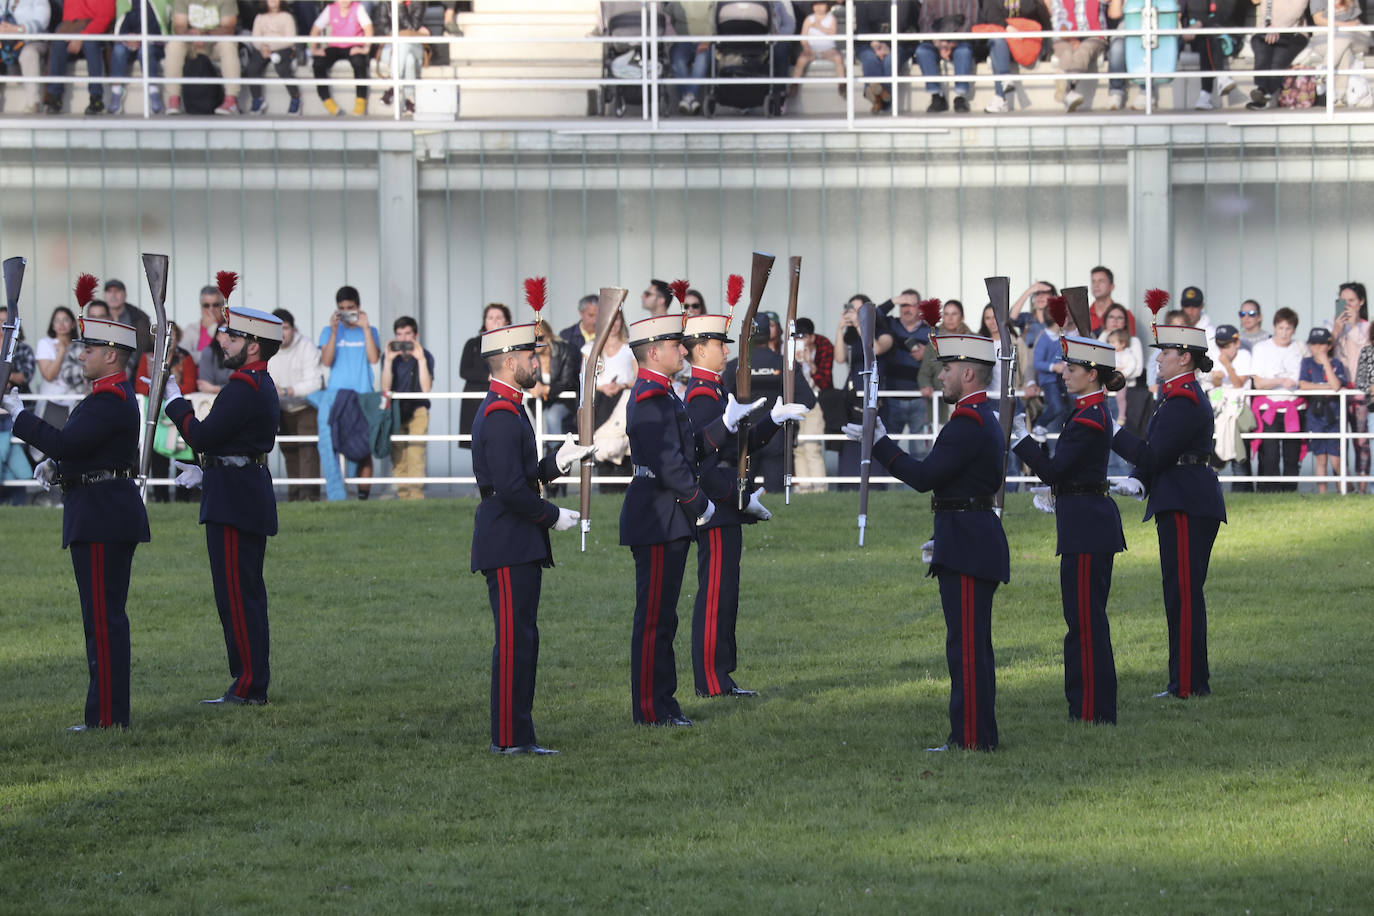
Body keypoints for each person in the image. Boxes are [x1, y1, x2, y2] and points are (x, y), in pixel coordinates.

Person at [843, 329, 1009, 750]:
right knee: (969, 645)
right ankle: (976, 735)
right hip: (966, 536)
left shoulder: (968, 423)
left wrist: (878, 442)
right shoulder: (976, 417)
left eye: (948, 368)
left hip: (969, 542)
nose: (941, 375)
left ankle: (971, 738)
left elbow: (923, 478)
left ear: (969, 373)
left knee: (967, 649)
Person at [6, 307, 149, 730]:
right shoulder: (105, 397)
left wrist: (20, 417)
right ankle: (107, 714)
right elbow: (84, 451)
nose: (81, 354)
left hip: (102, 514)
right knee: (102, 618)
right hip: (99, 510)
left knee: (103, 621)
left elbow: (69, 441)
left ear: (112, 356)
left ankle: (106, 718)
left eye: (90, 348)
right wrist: (58, 466)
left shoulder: (110, 398)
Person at [620, 313, 757, 727]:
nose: (684, 350)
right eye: (676, 345)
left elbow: (690, 449)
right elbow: (669, 463)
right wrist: (701, 504)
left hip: (668, 515)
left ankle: (664, 702)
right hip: (657, 515)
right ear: (654, 352)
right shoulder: (648, 398)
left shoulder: (665, 395)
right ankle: (650, 707)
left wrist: (724, 426)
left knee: (665, 617)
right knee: (654, 619)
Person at [469, 319, 593, 756]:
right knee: (514, 641)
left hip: (514, 538)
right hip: (507, 539)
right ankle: (509, 738)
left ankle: (519, 734)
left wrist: (558, 462)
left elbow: (521, 476)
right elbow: (510, 489)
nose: (535, 362)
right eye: (529, 356)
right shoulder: (501, 413)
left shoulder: (509, 406)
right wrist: (552, 515)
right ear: (508, 361)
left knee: (524, 638)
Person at [682, 312, 807, 699]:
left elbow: (742, 445)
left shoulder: (715, 390)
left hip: (725, 503)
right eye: (720, 345)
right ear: (700, 349)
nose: (725, 351)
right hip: (715, 506)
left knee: (727, 593)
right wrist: (737, 501)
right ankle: (712, 679)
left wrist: (771, 419)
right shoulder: (702, 395)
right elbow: (704, 463)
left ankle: (722, 675)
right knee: (716, 594)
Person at [163, 298, 281, 707]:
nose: (221, 340)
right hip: (236, 490)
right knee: (242, 595)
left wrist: (173, 401)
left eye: (231, 335)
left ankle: (248, 686)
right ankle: (250, 683)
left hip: (234, 501)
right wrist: (208, 470)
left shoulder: (243, 388)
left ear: (253, 346)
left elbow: (201, 435)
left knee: (236, 597)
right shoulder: (255, 384)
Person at [1110, 296, 1225, 699]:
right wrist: (1139, 481)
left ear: (1186, 358)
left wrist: (1112, 431)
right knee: (1180, 593)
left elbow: (1153, 452)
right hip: (1183, 496)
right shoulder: (1177, 396)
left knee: (1183, 595)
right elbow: (1158, 451)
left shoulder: (1183, 399)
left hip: (1185, 500)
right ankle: (1186, 681)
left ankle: (1189, 685)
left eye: (1166, 352)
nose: (1159, 359)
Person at [1013, 334, 1125, 724]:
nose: (1065, 375)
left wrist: (1021, 440)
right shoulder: (1089, 412)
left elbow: (1055, 470)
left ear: (1092, 375)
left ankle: (1093, 708)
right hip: (1085, 522)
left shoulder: (1089, 418)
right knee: (1083, 620)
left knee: (1085, 623)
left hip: (1086, 528)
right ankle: (1087, 705)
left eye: (1072, 369)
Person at [723, 314, 816, 494]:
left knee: (740, 496)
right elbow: (808, 400)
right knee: (776, 497)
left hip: (743, 437)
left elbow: (724, 401)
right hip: (776, 436)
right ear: (770, 334)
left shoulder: (735, 366)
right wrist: (785, 407)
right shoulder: (784, 365)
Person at [319, 284, 381, 493]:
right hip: (335, 394)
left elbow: (374, 359)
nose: (347, 312)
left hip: (363, 394)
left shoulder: (370, 330)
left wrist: (365, 327)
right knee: (328, 444)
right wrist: (335, 331)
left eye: (351, 308)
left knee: (362, 445)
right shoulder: (329, 331)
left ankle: (361, 494)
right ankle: (336, 495)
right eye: (342, 308)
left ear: (359, 307)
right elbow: (326, 362)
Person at [267, 308, 323, 501]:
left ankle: (309, 496)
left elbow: (315, 382)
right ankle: (295, 496)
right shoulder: (267, 348)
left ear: (293, 328)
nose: (282, 333)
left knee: (308, 449)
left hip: (305, 406)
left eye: (286, 327)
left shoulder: (306, 346)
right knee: (289, 450)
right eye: (277, 328)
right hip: (280, 408)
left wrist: (288, 390)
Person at [1249, 307, 1304, 492]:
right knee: (1270, 454)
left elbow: (1305, 380)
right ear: (1274, 327)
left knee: (1292, 454)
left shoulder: (1300, 348)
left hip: (1294, 408)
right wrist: (1281, 381)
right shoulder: (1261, 348)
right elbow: (1258, 383)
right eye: (1281, 328)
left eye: (1288, 328)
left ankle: (1290, 492)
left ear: (1294, 330)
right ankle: (1269, 492)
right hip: (1269, 407)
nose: (1284, 333)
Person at [381, 315, 434, 500]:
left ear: (416, 335)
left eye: (407, 334)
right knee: (398, 454)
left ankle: (416, 495)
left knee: (416, 452)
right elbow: (385, 388)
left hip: (418, 409)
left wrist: (420, 360)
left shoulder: (425, 355)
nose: (403, 339)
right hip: (395, 410)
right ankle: (403, 496)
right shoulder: (390, 357)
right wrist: (388, 361)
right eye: (399, 335)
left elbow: (426, 388)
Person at [164, 0, 241, 116]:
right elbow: (179, 26)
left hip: (215, 42)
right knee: (174, 45)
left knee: (229, 44)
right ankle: (173, 100)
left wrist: (207, 35)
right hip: (191, 42)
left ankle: (231, 100)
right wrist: (191, 34)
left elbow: (229, 28)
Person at [584, 310, 635, 484]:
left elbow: (638, 376)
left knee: (624, 442)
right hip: (600, 403)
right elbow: (584, 378)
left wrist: (622, 385)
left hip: (624, 401)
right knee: (602, 445)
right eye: (610, 320)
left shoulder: (630, 348)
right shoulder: (590, 348)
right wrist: (602, 387)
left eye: (617, 320)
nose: (613, 325)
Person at [1299, 327, 1349, 493]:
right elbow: (1303, 385)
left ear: (1329, 346)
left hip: (1335, 417)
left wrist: (1326, 363)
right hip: (1315, 417)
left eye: (1322, 344)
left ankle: (1344, 493)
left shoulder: (1336, 364)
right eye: (1314, 344)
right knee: (1320, 459)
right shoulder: (1306, 363)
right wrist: (1325, 387)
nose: (1318, 348)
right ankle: (1323, 495)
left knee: (1337, 460)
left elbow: (1336, 385)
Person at [979, 0, 1053, 113]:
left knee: (997, 51)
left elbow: (1036, 14)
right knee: (997, 41)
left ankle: (1000, 96)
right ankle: (1002, 90)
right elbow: (991, 15)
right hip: (1002, 44)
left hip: (1023, 42)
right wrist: (1007, 27)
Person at [42, 0, 113, 114]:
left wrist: (82, 36)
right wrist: (75, 33)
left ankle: (96, 98)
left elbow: (106, 16)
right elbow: (70, 16)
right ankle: (54, 97)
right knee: (59, 41)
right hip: (73, 26)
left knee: (91, 43)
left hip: (95, 27)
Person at [883, 289, 931, 457]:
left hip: (921, 400)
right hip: (892, 398)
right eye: (903, 304)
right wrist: (893, 300)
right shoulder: (890, 325)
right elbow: (871, 317)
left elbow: (947, 361)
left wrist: (929, 352)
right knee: (886, 449)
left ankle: (919, 485)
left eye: (911, 304)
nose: (907, 309)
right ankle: (884, 484)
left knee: (921, 452)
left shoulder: (931, 331)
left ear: (920, 308)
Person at [1332, 282, 1369, 489]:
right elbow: (1324, 351)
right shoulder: (1334, 325)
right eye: (1342, 301)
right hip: (1338, 390)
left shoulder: (1368, 327)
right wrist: (1337, 330)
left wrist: (1354, 326)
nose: (1347, 306)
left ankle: (1363, 486)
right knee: (1339, 441)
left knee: (1361, 440)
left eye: (1351, 301)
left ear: (1361, 302)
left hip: (1361, 390)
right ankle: (1343, 486)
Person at [459, 303, 511, 450]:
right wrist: (489, 376)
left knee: (502, 443)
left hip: (502, 400)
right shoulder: (473, 344)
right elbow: (464, 371)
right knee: (478, 446)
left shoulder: (513, 345)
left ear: (507, 321)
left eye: (499, 318)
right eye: (490, 318)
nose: (495, 321)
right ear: (484, 321)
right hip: (475, 400)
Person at [1209, 324, 1255, 490]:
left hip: (1239, 411)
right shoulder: (1215, 355)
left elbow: (1238, 384)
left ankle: (1243, 491)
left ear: (1237, 342)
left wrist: (1227, 365)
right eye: (1221, 345)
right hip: (1219, 411)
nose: (1224, 350)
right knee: (1215, 454)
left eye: (1227, 345)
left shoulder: (1244, 355)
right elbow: (1215, 388)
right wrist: (1217, 379)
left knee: (1239, 454)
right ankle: (1212, 491)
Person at [310, 0, 374, 116]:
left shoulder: (358, 8)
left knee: (359, 61)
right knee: (318, 62)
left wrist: (366, 48)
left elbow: (368, 27)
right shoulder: (330, 9)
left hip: (354, 45)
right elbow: (316, 28)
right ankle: (327, 101)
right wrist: (313, 49)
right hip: (335, 46)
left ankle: (360, 102)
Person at [530, 317, 578, 472]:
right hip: (537, 402)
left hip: (562, 400)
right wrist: (531, 387)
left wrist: (547, 389)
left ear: (549, 336)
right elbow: (520, 376)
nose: (536, 342)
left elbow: (568, 381)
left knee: (552, 417)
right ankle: (547, 469)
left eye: (540, 338)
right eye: (532, 339)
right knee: (536, 426)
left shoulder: (564, 350)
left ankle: (554, 465)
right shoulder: (527, 354)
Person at [0, 299, 36, 504]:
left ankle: (17, 502)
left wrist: (5, 375)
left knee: (9, 455)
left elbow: (25, 377)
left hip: (14, 411)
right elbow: (17, 376)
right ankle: (18, 502)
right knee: (10, 459)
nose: (2, 326)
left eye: (7, 322)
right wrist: (11, 375)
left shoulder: (23, 349)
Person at [916, 0, 978, 113]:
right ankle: (936, 96)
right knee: (922, 51)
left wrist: (951, 42)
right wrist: (938, 42)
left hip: (960, 41)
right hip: (936, 42)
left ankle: (960, 97)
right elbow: (924, 20)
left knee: (964, 52)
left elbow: (971, 20)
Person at [792, 316, 832, 492]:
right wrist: (794, 362)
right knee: (798, 449)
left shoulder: (823, 348)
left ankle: (820, 489)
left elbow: (824, 383)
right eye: (796, 336)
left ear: (812, 337)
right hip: (795, 404)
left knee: (811, 447)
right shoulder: (788, 352)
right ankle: (805, 490)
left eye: (803, 336)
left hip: (815, 404)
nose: (799, 340)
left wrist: (810, 363)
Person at [854, 0, 916, 113]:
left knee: (890, 60)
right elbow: (862, 25)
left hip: (899, 42)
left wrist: (888, 45)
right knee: (869, 58)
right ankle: (882, 96)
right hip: (869, 42)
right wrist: (873, 44)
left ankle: (878, 99)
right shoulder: (862, 2)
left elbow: (902, 23)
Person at [374, 0, 435, 115]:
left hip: (414, 45)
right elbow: (381, 26)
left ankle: (393, 85)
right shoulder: (385, 2)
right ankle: (409, 101)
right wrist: (396, 34)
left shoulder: (419, 3)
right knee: (409, 60)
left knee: (403, 43)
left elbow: (411, 28)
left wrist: (400, 6)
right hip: (390, 47)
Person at [1246, 0, 1309, 110]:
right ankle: (1262, 91)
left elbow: (1295, 12)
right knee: (1262, 50)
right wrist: (1269, 27)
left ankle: (1263, 92)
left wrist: (1276, 29)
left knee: (1279, 57)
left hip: (1293, 33)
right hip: (1266, 30)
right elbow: (1264, 8)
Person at [107, 0, 166, 116]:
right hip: (128, 42)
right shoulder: (125, 2)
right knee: (118, 51)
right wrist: (127, 37)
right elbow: (120, 26)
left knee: (145, 51)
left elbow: (160, 27)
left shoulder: (159, 2)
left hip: (152, 42)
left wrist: (142, 38)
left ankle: (153, 91)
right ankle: (116, 92)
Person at [243, 0, 300, 115]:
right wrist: (263, 46)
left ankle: (295, 98)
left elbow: (290, 39)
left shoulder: (287, 17)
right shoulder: (259, 17)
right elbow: (255, 37)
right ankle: (257, 99)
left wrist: (270, 46)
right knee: (252, 68)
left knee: (282, 68)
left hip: (283, 48)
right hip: (263, 49)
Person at [1050, 0, 1108, 112]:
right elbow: (1058, 20)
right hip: (1065, 36)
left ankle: (1066, 90)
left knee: (1083, 51)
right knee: (1066, 52)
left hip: (1094, 35)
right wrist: (1071, 38)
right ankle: (1069, 93)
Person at [1181, 0, 1239, 110]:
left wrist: (1199, 24)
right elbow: (1196, 13)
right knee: (1207, 39)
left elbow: (1225, 15)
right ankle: (1222, 78)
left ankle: (1205, 95)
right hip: (1202, 36)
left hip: (1228, 36)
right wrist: (1199, 24)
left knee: (1208, 38)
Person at [34, 305, 80, 428]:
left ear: (73, 324)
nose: (61, 324)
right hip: (51, 402)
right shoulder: (45, 343)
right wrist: (61, 352)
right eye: (57, 320)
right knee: (47, 442)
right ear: (52, 325)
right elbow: (49, 375)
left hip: (76, 402)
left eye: (65, 319)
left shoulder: (81, 347)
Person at [0, 0, 50, 115]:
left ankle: (33, 103)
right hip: (6, 42)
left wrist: (17, 29)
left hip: (32, 40)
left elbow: (42, 22)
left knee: (29, 53)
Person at [790, 2, 846, 98]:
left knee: (838, 59)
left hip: (828, 49)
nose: (819, 7)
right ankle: (794, 84)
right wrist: (807, 48)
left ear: (827, 6)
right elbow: (803, 37)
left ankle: (842, 84)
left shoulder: (831, 19)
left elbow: (833, 33)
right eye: (816, 4)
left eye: (822, 4)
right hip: (811, 49)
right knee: (801, 61)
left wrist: (819, 26)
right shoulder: (808, 19)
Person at [667, 0, 712, 114]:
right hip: (682, 42)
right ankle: (691, 98)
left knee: (701, 60)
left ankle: (687, 98)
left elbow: (713, 23)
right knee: (677, 60)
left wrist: (706, 40)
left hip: (703, 40)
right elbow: (667, 20)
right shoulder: (674, 3)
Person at [103, 278, 154, 362]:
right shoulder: (98, 314)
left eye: (117, 291)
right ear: (104, 295)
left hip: (133, 368)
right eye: (109, 291)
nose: (113, 295)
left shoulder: (139, 317)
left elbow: (144, 348)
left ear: (125, 295)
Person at [1088, 266, 1134, 335]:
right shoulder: (1084, 317)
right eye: (1093, 281)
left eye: (1101, 281)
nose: (1096, 285)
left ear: (1112, 286)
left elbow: (1130, 343)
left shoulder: (1125, 315)